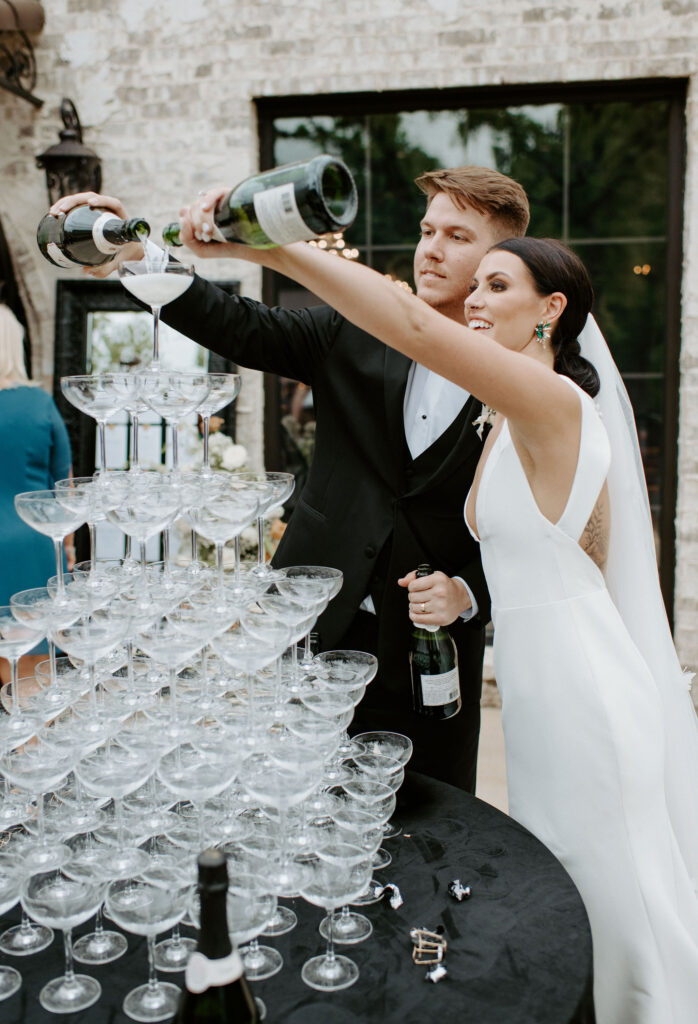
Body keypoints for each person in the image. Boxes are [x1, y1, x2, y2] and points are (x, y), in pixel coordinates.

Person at [172, 224, 698, 1022]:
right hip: (538, 692)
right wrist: (463, 593)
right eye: (473, 282)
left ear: (551, 310)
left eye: (496, 286)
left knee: (617, 887)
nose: (472, 301)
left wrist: (267, 248)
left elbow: (411, 324)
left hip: (584, 690)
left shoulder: (549, 400)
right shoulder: (510, 416)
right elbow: (584, 549)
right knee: (571, 880)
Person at [49, 166, 531, 793]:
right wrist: (136, 250)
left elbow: (541, 534)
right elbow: (235, 322)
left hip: (427, 655)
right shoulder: (353, 326)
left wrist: (469, 593)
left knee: (434, 835)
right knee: (289, 807)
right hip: (311, 626)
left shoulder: (527, 374)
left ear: (497, 256)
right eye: (426, 229)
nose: (432, 249)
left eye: (458, 237)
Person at [0, 304, 73, 684]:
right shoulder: (37, 403)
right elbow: (66, 488)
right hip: (32, 546)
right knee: (27, 677)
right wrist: (70, 553)